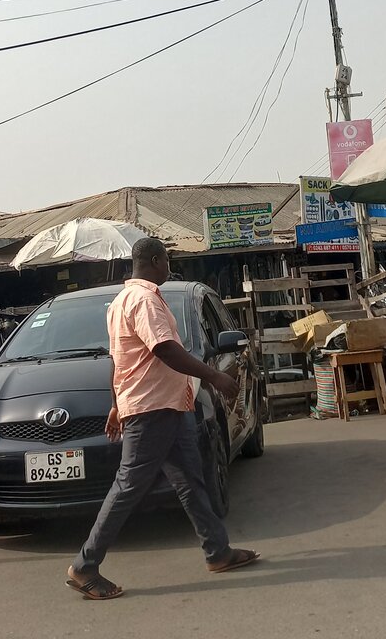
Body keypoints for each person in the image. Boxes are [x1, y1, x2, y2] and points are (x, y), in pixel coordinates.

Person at [67, 236, 259, 600]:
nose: (169, 266)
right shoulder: (144, 299)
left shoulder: (121, 300)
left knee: (190, 479)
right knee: (128, 488)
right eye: (167, 259)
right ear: (155, 260)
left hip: (165, 405)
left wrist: (114, 404)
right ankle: (84, 566)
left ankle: (218, 552)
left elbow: (120, 360)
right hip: (153, 408)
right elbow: (166, 350)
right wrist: (214, 376)